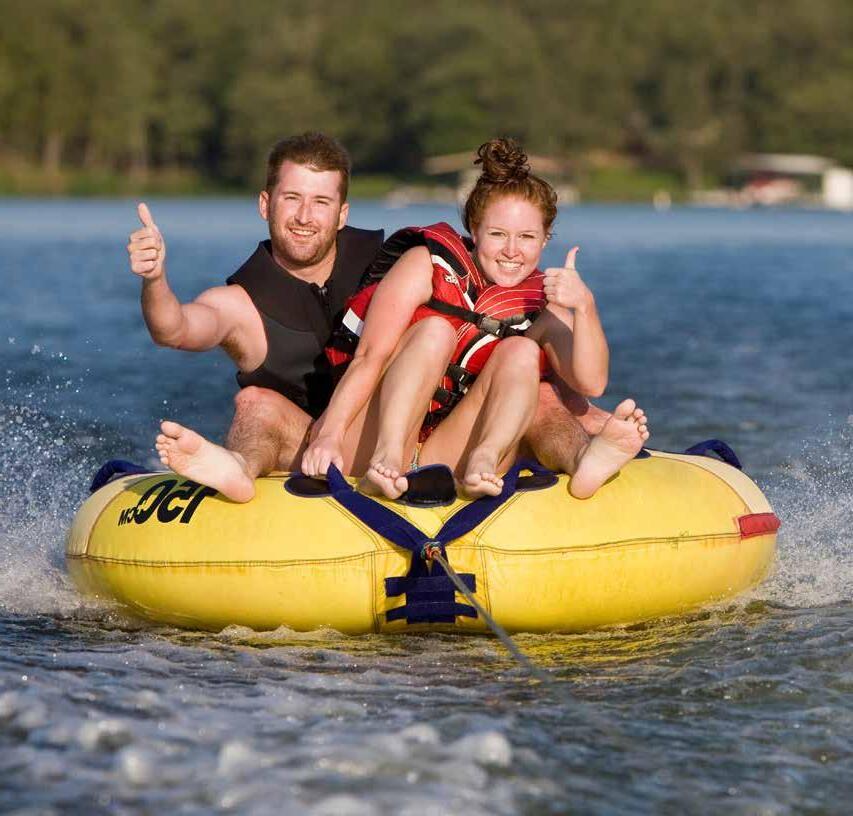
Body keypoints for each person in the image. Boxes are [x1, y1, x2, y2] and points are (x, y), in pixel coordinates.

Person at [301, 138, 648, 499]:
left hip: (448, 450)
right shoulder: (425, 265)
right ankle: (385, 460)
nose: (511, 251)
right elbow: (369, 357)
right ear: (475, 228)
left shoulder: (544, 303)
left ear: (545, 239)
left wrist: (585, 306)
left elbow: (592, 382)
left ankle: (484, 460)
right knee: (435, 330)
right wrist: (329, 435)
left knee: (522, 352)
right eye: (497, 234)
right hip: (371, 441)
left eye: (527, 237)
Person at [127, 132, 384, 501]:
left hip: (396, 441)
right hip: (306, 448)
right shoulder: (239, 305)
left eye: (321, 202)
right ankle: (238, 468)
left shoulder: (387, 266)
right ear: (266, 205)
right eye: (292, 198)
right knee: (256, 404)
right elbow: (174, 329)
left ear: (342, 214)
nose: (304, 217)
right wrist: (154, 278)